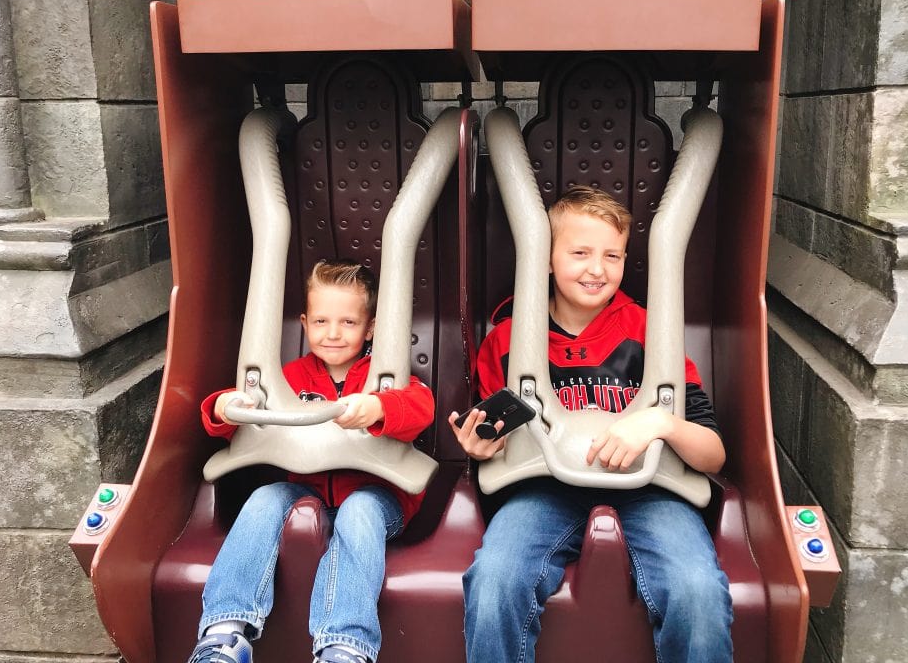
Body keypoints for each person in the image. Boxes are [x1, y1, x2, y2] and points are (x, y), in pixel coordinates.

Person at [449, 185, 733, 663]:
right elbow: (493, 443)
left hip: (650, 488)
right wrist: (480, 448)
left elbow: (713, 454)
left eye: (612, 255)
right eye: (580, 253)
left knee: (697, 590)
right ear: (546, 257)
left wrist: (661, 424)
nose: (597, 269)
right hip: (545, 489)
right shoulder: (507, 340)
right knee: (495, 578)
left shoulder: (649, 331)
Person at [188, 259, 434, 663]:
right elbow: (237, 420)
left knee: (358, 511)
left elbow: (419, 406)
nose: (332, 334)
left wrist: (377, 408)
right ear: (304, 324)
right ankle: (223, 634)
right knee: (266, 497)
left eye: (348, 323)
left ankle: (344, 647)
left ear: (370, 327)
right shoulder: (291, 377)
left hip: (377, 497)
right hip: (309, 490)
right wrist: (224, 407)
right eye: (321, 322)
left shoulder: (386, 375)